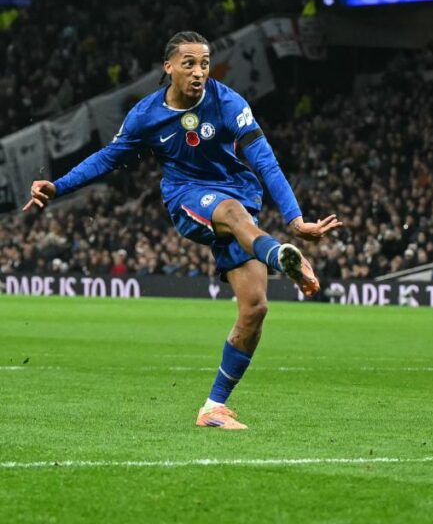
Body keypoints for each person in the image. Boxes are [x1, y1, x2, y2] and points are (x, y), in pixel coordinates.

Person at [22, 31, 342, 430]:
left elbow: (265, 161)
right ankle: (278, 254)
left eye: (205, 63)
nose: (199, 71)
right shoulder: (146, 114)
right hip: (188, 199)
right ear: (168, 67)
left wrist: (294, 217)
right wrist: (59, 185)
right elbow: (109, 158)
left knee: (255, 307)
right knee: (232, 212)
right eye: (189, 63)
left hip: (239, 198)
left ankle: (213, 408)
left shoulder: (228, 103)